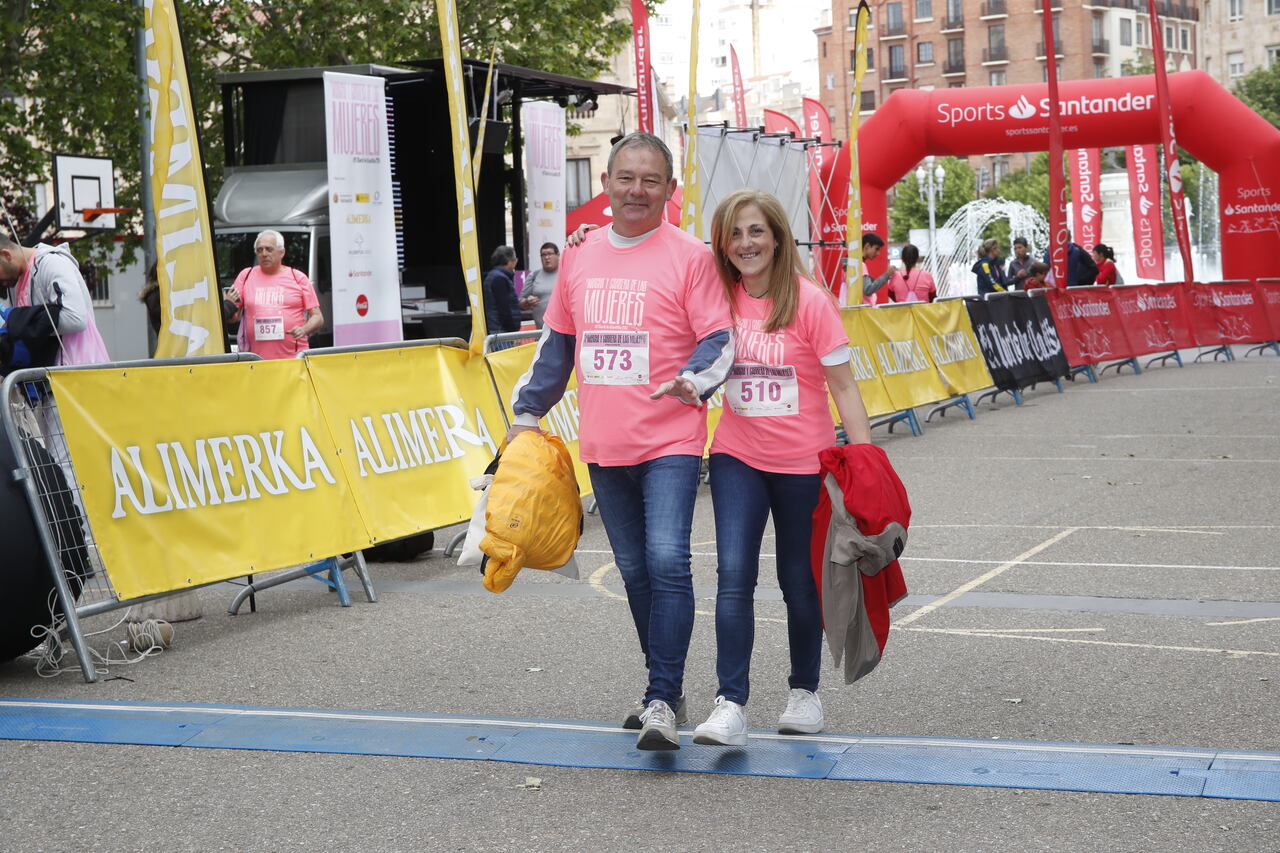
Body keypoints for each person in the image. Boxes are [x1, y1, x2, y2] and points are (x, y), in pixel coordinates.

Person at [506, 132, 734, 751]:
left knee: (666, 560)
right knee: (634, 572)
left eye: (650, 180)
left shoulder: (692, 257)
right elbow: (558, 348)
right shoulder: (579, 256)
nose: (637, 189)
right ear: (605, 183)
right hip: (604, 444)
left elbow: (720, 340)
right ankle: (667, 687)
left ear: (669, 189)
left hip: (671, 439)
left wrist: (693, 381)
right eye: (626, 178)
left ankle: (660, 698)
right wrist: (525, 414)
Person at [691, 189, 872, 747]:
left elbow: (844, 386)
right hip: (736, 458)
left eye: (757, 232)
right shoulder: (717, 297)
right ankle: (730, 704)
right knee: (733, 577)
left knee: (799, 581)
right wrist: (588, 240)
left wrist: (866, 466)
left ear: (777, 238)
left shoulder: (811, 303)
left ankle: (804, 692)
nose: (746, 243)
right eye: (735, 233)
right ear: (722, 243)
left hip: (802, 465)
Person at [0, 235, 109, 366]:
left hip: (75, 370)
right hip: (45, 374)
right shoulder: (14, 280)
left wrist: (22, 323)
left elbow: (76, 318)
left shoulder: (51, 263)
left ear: (6, 255)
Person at [223, 230, 322, 359]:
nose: (264, 254)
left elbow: (318, 318)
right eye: (260, 250)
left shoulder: (298, 277)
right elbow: (234, 317)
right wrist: (227, 305)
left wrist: (304, 329)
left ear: (282, 252)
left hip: (293, 358)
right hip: (256, 360)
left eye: (269, 249)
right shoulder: (245, 276)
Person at [483, 245, 522, 336]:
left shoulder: (493, 276)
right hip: (501, 332)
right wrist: (512, 330)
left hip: (496, 329)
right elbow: (504, 309)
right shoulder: (500, 278)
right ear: (509, 261)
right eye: (515, 258)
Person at [519, 242, 559, 329]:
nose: (546, 258)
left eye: (549, 254)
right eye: (543, 255)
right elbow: (520, 303)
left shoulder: (566, 274)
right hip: (540, 333)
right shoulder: (534, 276)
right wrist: (527, 302)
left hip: (563, 333)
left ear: (558, 255)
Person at [853, 232, 893, 306]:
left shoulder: (851, 262)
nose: (878, 253)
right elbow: (868, 290)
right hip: (861, 310)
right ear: (867, 246)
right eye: (876, 249)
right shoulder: (861, 265)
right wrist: (887, 275)